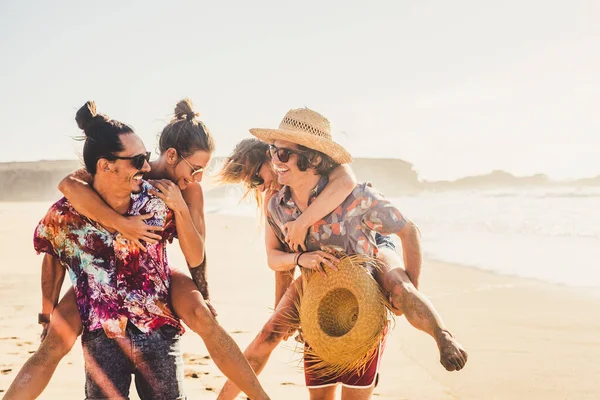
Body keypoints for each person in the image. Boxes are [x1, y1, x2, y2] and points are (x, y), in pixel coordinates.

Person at [4, 100, 270, 400]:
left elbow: (197, 252)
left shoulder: (174, 195)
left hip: (152, 274)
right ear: (170, 155)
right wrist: (46, 313)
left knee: (203, 316)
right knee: (53, 343)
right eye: (195, 169)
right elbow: (65, 206)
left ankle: (259, 396)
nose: (197, 180)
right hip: (97, 278)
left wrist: (204, 291)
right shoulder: (92, 190)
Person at [220, 108, 468, 400]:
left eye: (282, 155)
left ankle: (442, 336)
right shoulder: (277, 205)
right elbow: (280, 263)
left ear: (310, 157)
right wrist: (288, 311)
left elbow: (403, 226)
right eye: (274, 152)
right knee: (269, 335)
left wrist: (406, 293)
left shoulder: (349, 192)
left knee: (399, 286)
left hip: (364, 271)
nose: (274, 165)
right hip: (319, 286)